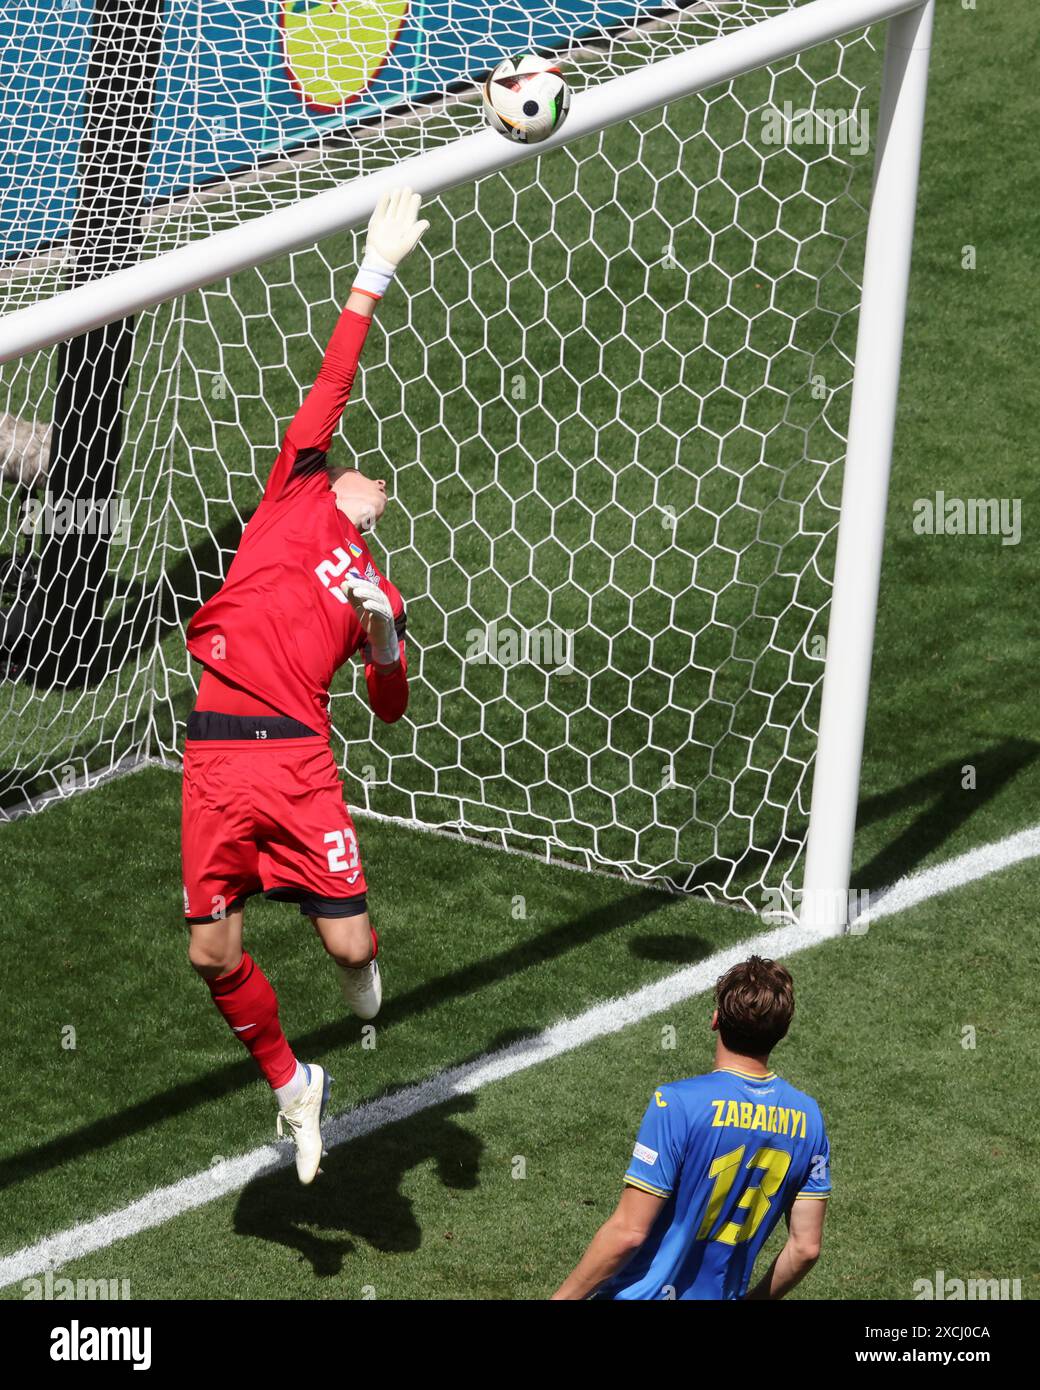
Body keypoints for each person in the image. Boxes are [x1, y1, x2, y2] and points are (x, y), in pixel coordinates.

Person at [180, 188, 429, 1184]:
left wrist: (380, 637)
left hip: (294, 763)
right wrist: (373, 272)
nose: (382, 482)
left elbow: (390, 710)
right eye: (367, 473)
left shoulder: (378, 587)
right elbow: (332, 385)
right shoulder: (291, 489)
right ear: (332, 480)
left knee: (349, 952)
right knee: (209, 952)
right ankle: (292, 1083)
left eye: (381, 491)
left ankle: (363, 970)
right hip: (214, 747)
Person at [552, 955, 831, 1299]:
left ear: (715, 1020)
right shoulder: (808, 1118)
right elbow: (806, 1248)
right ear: (783, 1031)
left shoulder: (677, 1104)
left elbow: (628, 1233)